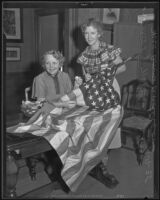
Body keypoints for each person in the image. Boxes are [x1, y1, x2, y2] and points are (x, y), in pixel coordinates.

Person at [76, 18, 126, 188]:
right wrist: (87, 79)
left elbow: (122, 67)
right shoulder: (84, 55)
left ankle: (103, 165)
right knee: (96, 128)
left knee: (109, 128)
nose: (89, 36)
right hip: (94, 92)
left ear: (99, 33)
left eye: (92, 33)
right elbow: (86, 76)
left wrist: (106, 73)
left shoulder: (109, 49)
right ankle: (96, 164)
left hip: (110, 89)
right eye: (86, 33)